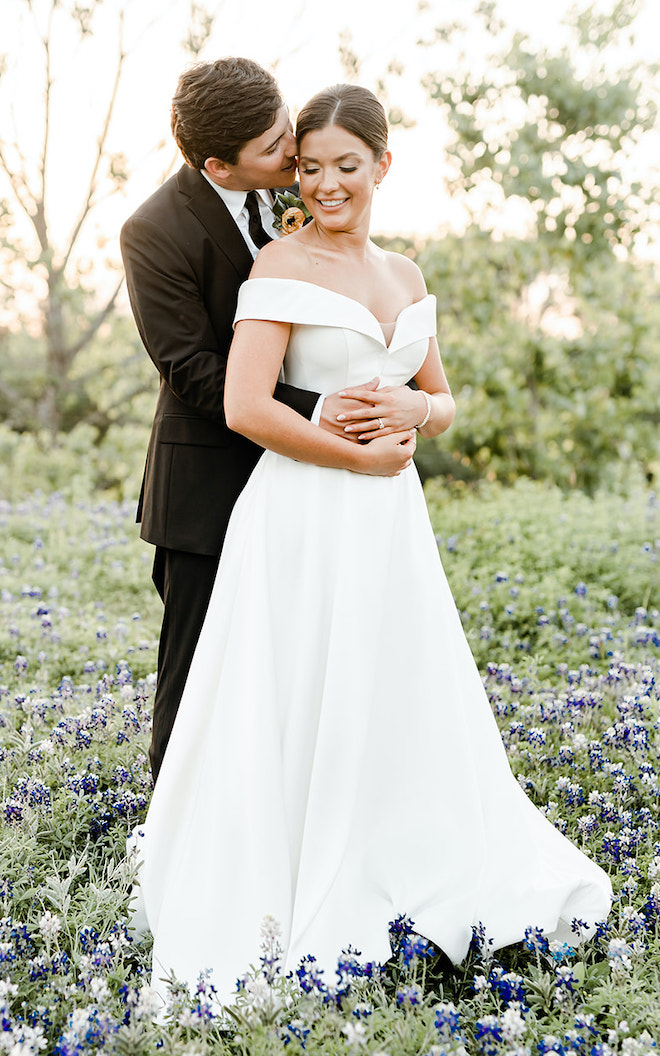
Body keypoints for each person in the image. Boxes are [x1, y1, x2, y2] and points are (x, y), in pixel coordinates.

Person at [133, 84, 612, 1005]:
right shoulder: (279, 265)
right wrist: (354, 462)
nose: (324, 185)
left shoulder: (406, 274)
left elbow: (443, 400)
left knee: (392, 687)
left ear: (383, 166)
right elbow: (244, 406)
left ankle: (400, 857)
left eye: (345, 166)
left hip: (392, 523)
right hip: (307, 512)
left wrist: (415, 408)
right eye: (307, 168)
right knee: (302, 686)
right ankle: (293, 873)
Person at [120, 59, 423, 782]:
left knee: (298, 666)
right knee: (198, 671)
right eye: (276, 148)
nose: (294, 155)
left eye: (287, 130)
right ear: (218, 165)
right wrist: (320, 411)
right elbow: (191, 371)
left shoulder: (297, 183)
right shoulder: (153, 232)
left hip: (315, 489)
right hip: (210, 480)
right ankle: (171, 831)